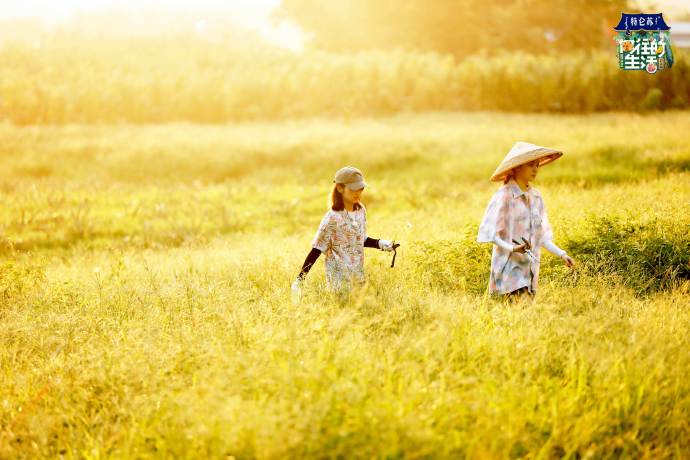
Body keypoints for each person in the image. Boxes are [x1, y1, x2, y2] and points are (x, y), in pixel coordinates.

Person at [477, 142, 575, 298]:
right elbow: (491, 234)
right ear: (516, 167)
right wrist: (513, 248)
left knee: (523, 318)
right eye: (530, 165)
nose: (535, 169)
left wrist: (562, 254)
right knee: (517, 309)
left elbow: (541, 236)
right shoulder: (504, 196)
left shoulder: (536, 197)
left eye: (537, 165)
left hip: (529, 270)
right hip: (508, 270)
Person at [291, 166, 397, 301]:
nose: (358, 193)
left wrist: (381, 244)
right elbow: (317, 249)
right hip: (339, 281)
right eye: (353, 189)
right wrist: (300, 279)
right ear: (340, 188)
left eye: (361, 188)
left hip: (358, 277)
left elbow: (360, 239)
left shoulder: (360, 210)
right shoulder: (332, 218)